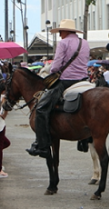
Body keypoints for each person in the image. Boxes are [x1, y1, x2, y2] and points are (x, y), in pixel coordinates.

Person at [27, 19, 90, 158]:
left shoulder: (63, 43)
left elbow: (55, 66)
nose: (60, 33)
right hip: (84, 80)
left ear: (66, 31)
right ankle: (85, 139)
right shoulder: (84, 42)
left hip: (66, 81)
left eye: (61, 30)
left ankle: (42, 145)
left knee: (41, 108)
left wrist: (51, 71)